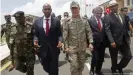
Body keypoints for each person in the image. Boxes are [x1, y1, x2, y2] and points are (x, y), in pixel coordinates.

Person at [63, 1, 93, 75]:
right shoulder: (67, 21)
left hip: (82, 48)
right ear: (71, 10)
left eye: (76, 8)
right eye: (72, 9)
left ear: (79, 9)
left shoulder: (84, 20)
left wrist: (91, 43)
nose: (74, 10)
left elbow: (88, 32)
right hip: (72, 48)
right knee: (74, 66)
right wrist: (66, 47)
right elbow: (65, 35)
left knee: (81, 66)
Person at [33, 3, 62, 75]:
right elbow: (35, 34)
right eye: (45, 9)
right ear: (42, 10)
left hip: (54, 49)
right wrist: (35, 40)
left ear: (51, 10)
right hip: (42, 49)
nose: (47, 11)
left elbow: (60, 34)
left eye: (49, 9)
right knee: (45, 67)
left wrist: (60, 41)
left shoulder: (56, 21)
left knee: (54, 68)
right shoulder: (37, 21)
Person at [104, 0, 132, 74]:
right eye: (111, 6)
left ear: (117, 6)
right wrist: (111, 41)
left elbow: (126, 26)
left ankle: (119, 67)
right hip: (114, 41)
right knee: (114, 57)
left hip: (124, 40)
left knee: (128, 56)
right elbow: (107, 30)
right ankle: (113, 70)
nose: (113, 7)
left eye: (115, 6)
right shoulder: (107, 17)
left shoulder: (123, 15)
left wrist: (128, 36)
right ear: (109, 8)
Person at [88, 6, 108, 75]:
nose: (99, 15)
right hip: (94, 43)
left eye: (100, 13)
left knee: (101, 58)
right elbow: (88, 32)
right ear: (94, 13)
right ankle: (92, 69)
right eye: (97, 13)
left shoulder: (103, 20)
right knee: (95, 58)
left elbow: (105, 31)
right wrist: (89, 43)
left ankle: (98, 70)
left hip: (102, 43)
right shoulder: (90, 20)